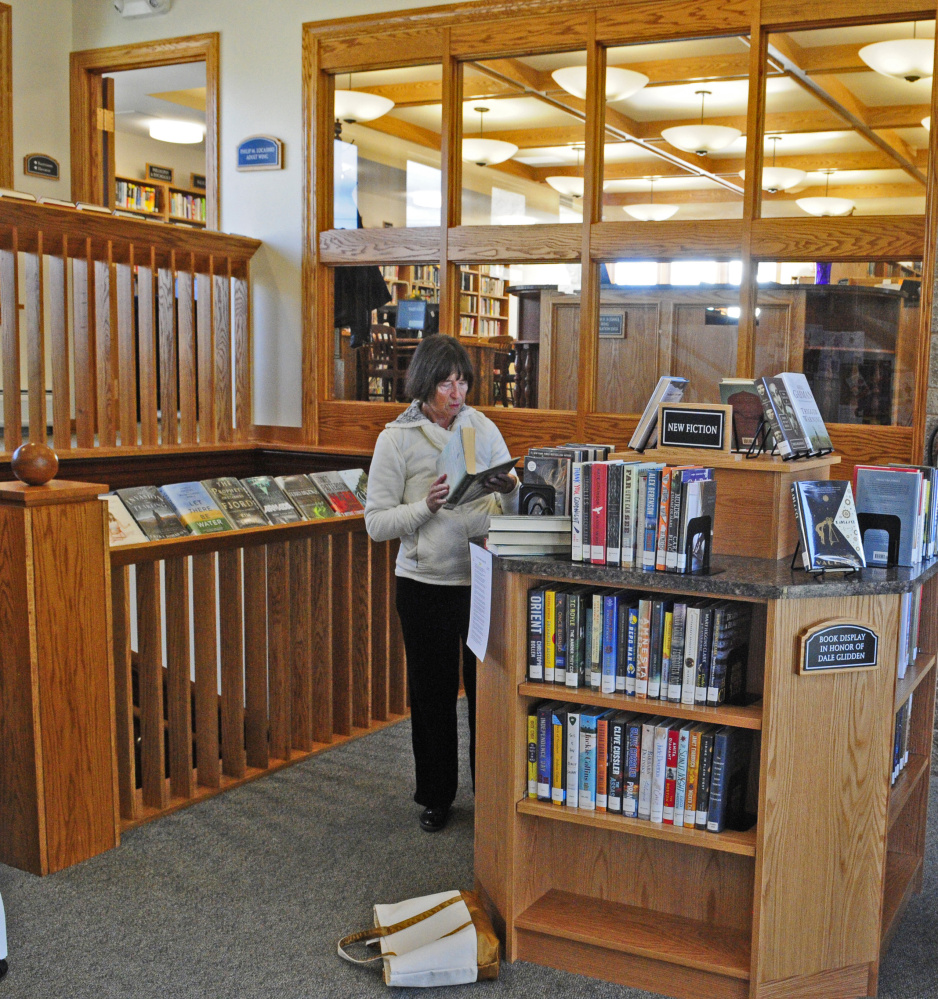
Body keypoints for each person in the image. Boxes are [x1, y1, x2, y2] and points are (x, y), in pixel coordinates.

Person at [364, 335, 518, 833]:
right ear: (425, 385)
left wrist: (510, 490)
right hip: (424, 584)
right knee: (430, 696)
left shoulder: (482, 427)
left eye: (463, 381)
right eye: (447, 383)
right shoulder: (397, 438)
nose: (458, 392)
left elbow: (511, 507)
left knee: (486, 694)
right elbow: (376, 523)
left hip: (480, 578)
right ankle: (436, 795)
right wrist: (424, 507)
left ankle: (489, 795)